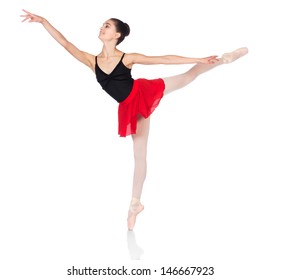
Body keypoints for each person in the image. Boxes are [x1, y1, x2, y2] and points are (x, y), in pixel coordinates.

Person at [20, 9, 248, 231]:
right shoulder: (92, 61)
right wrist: (43, 21)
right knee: (139, 155)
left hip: (143, 92)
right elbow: (65, 43)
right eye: (103, 24)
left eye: (106, 25)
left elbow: (164, 59)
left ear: (116, 35)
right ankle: (134, 205)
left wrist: (197, 57)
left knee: (188, 76)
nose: (102, 27)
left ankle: (225, 58)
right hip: (130, 108)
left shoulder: (127, 58)